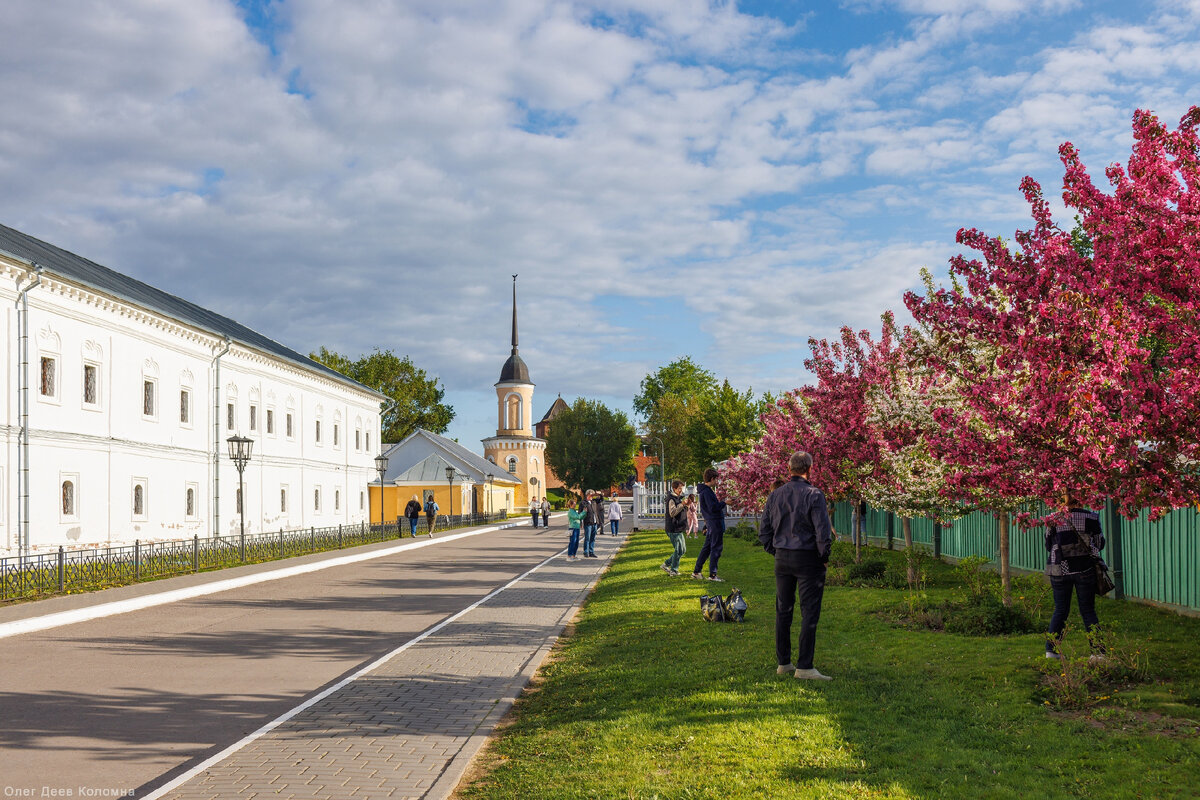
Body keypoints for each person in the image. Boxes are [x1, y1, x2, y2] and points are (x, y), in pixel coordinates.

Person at [759, 451, 833, 681]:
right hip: (808, 557)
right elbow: (823, 531)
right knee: (809, 612)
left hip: (783, 557)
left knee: (783, 610)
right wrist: (824, 556)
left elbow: (764, 531)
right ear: (809, 468)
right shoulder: (814, 494)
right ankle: (804, 667)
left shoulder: (776, 495)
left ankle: (784, 662)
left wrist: (776, 550)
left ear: (789, 468)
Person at [1044, 496, 1106, 660]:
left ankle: (1051, 650)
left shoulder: (1053, 519)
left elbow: (1048, 545)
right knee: (1087, 610)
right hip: (1084, 568)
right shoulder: (1091, 517)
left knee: (1060, 610)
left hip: (1058, 569)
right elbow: (1099, 543)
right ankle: (1098, 652)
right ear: (1081, 498)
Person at [692, 468, 729, 582]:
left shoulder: (704, 491)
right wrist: (724, 503)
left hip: (711, 522)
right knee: (716, 548)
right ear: (712, 479)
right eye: (716, 480)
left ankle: (697, 571)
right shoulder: (707, 492)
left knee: (707, 548)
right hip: (714, 523)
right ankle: (712, 575)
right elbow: (713, 508)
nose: (716, 482)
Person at [660, 480, 688, 576]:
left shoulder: (678, 498)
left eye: (682, 488)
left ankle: (666, 564)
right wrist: (682, 505)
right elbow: (672, 513)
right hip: (673, 528)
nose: (681, 490)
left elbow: (681, 511)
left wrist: (685, 506)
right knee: (679, 549)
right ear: (675, 488)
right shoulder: (671, 499)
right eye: (679, 488)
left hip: (678, 527)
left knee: (682, 550)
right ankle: (673, 570)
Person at [583, 490, 601, 557]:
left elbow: (601, 499)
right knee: (587, 538)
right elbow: (580, 512)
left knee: (593, 538)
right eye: (591, 495)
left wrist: (600, 494)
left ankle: (591, 552)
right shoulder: (583, 503)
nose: (592, 496)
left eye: (592, 495)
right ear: (587, 495)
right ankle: (586, 552)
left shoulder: (594, 502)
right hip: (588, 523)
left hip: (594, 523)